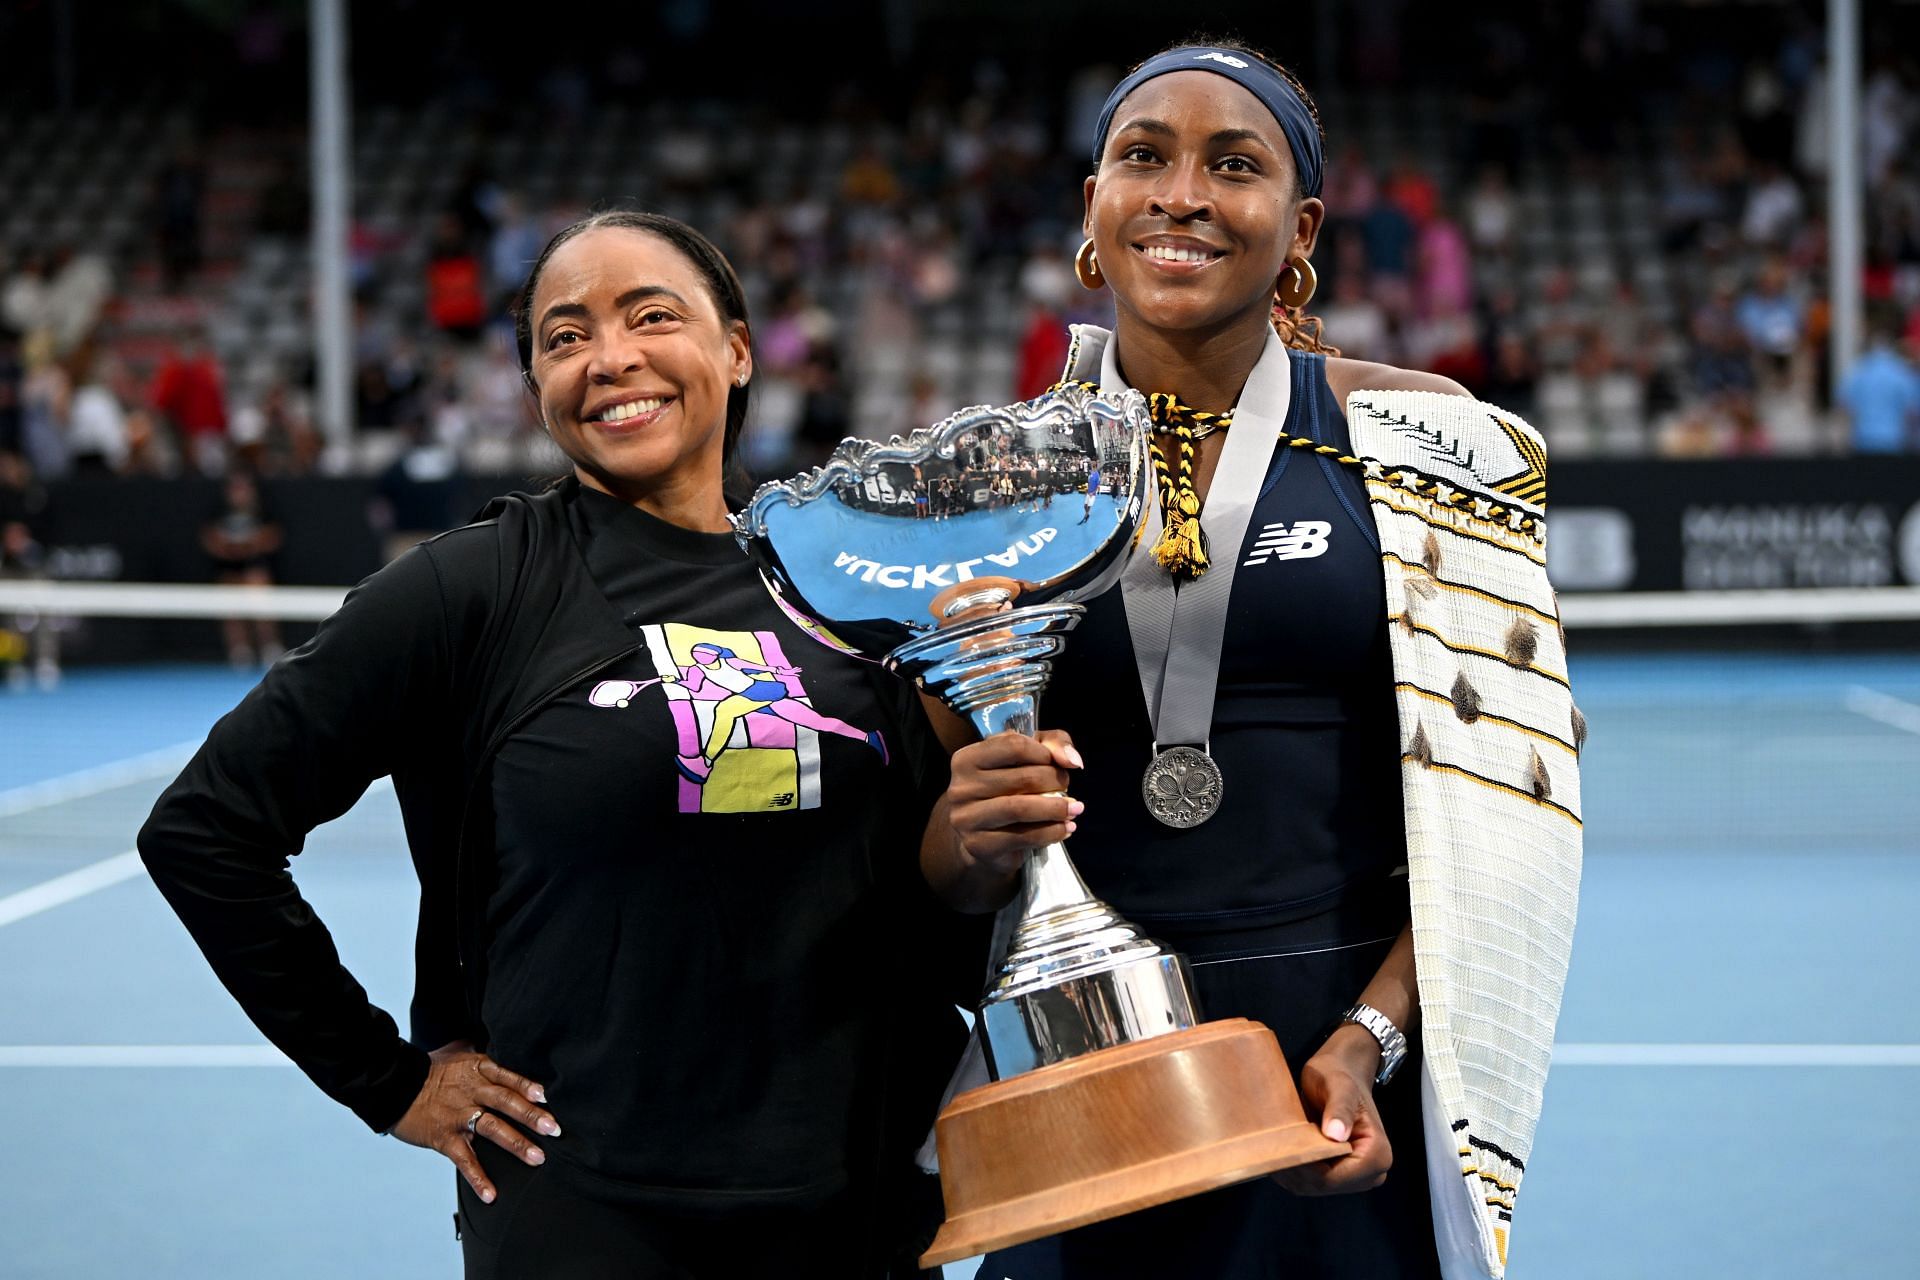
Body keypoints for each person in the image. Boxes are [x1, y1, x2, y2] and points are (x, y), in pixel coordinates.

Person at [139, 211, 979, 1279]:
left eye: (651, 316)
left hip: (858, 1209)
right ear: (535, 385)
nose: (608, 357)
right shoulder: (469, 589)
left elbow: (925, 886)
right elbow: (205, 828)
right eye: (563, 336)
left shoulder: (850, 590)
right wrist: (384, 1077)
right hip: (590, 1223)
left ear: (736, 346)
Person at [925, 41, 1583, 1280]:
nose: (1182, 193)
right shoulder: (980, 484)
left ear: (1300, 224)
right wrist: (961, 838)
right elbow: (933, 867)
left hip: (1338, 1072)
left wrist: (1370, 1037)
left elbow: (1514, 810)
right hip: (1080, 1068)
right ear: (1093, 209)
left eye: (1235, 164)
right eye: (1143, 157)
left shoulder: (1441, 446)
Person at [199, 468, 286, 667]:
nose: (240, 492)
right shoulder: (218, 510)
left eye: (244, 488)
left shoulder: (263, 509)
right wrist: (229, 548)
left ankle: (269, 646)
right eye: (236, 488)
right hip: (228, 570)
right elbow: (209, 539)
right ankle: (240, 651)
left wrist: (250, 546)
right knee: (230, 601)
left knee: (259, 592)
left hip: (255, 568)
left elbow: (273, 536)